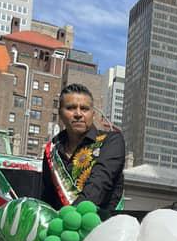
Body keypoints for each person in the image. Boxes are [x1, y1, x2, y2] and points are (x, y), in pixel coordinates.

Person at [42, 83, 124, 217]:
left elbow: (98, 185)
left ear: (93, 114)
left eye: (84, 109)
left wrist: (68, 218)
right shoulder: (52, 150)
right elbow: (47, 199)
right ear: (60, 113)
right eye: (71, 108)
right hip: (60, 227)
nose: (78, 114)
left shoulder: (111, 141)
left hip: (102, 225)